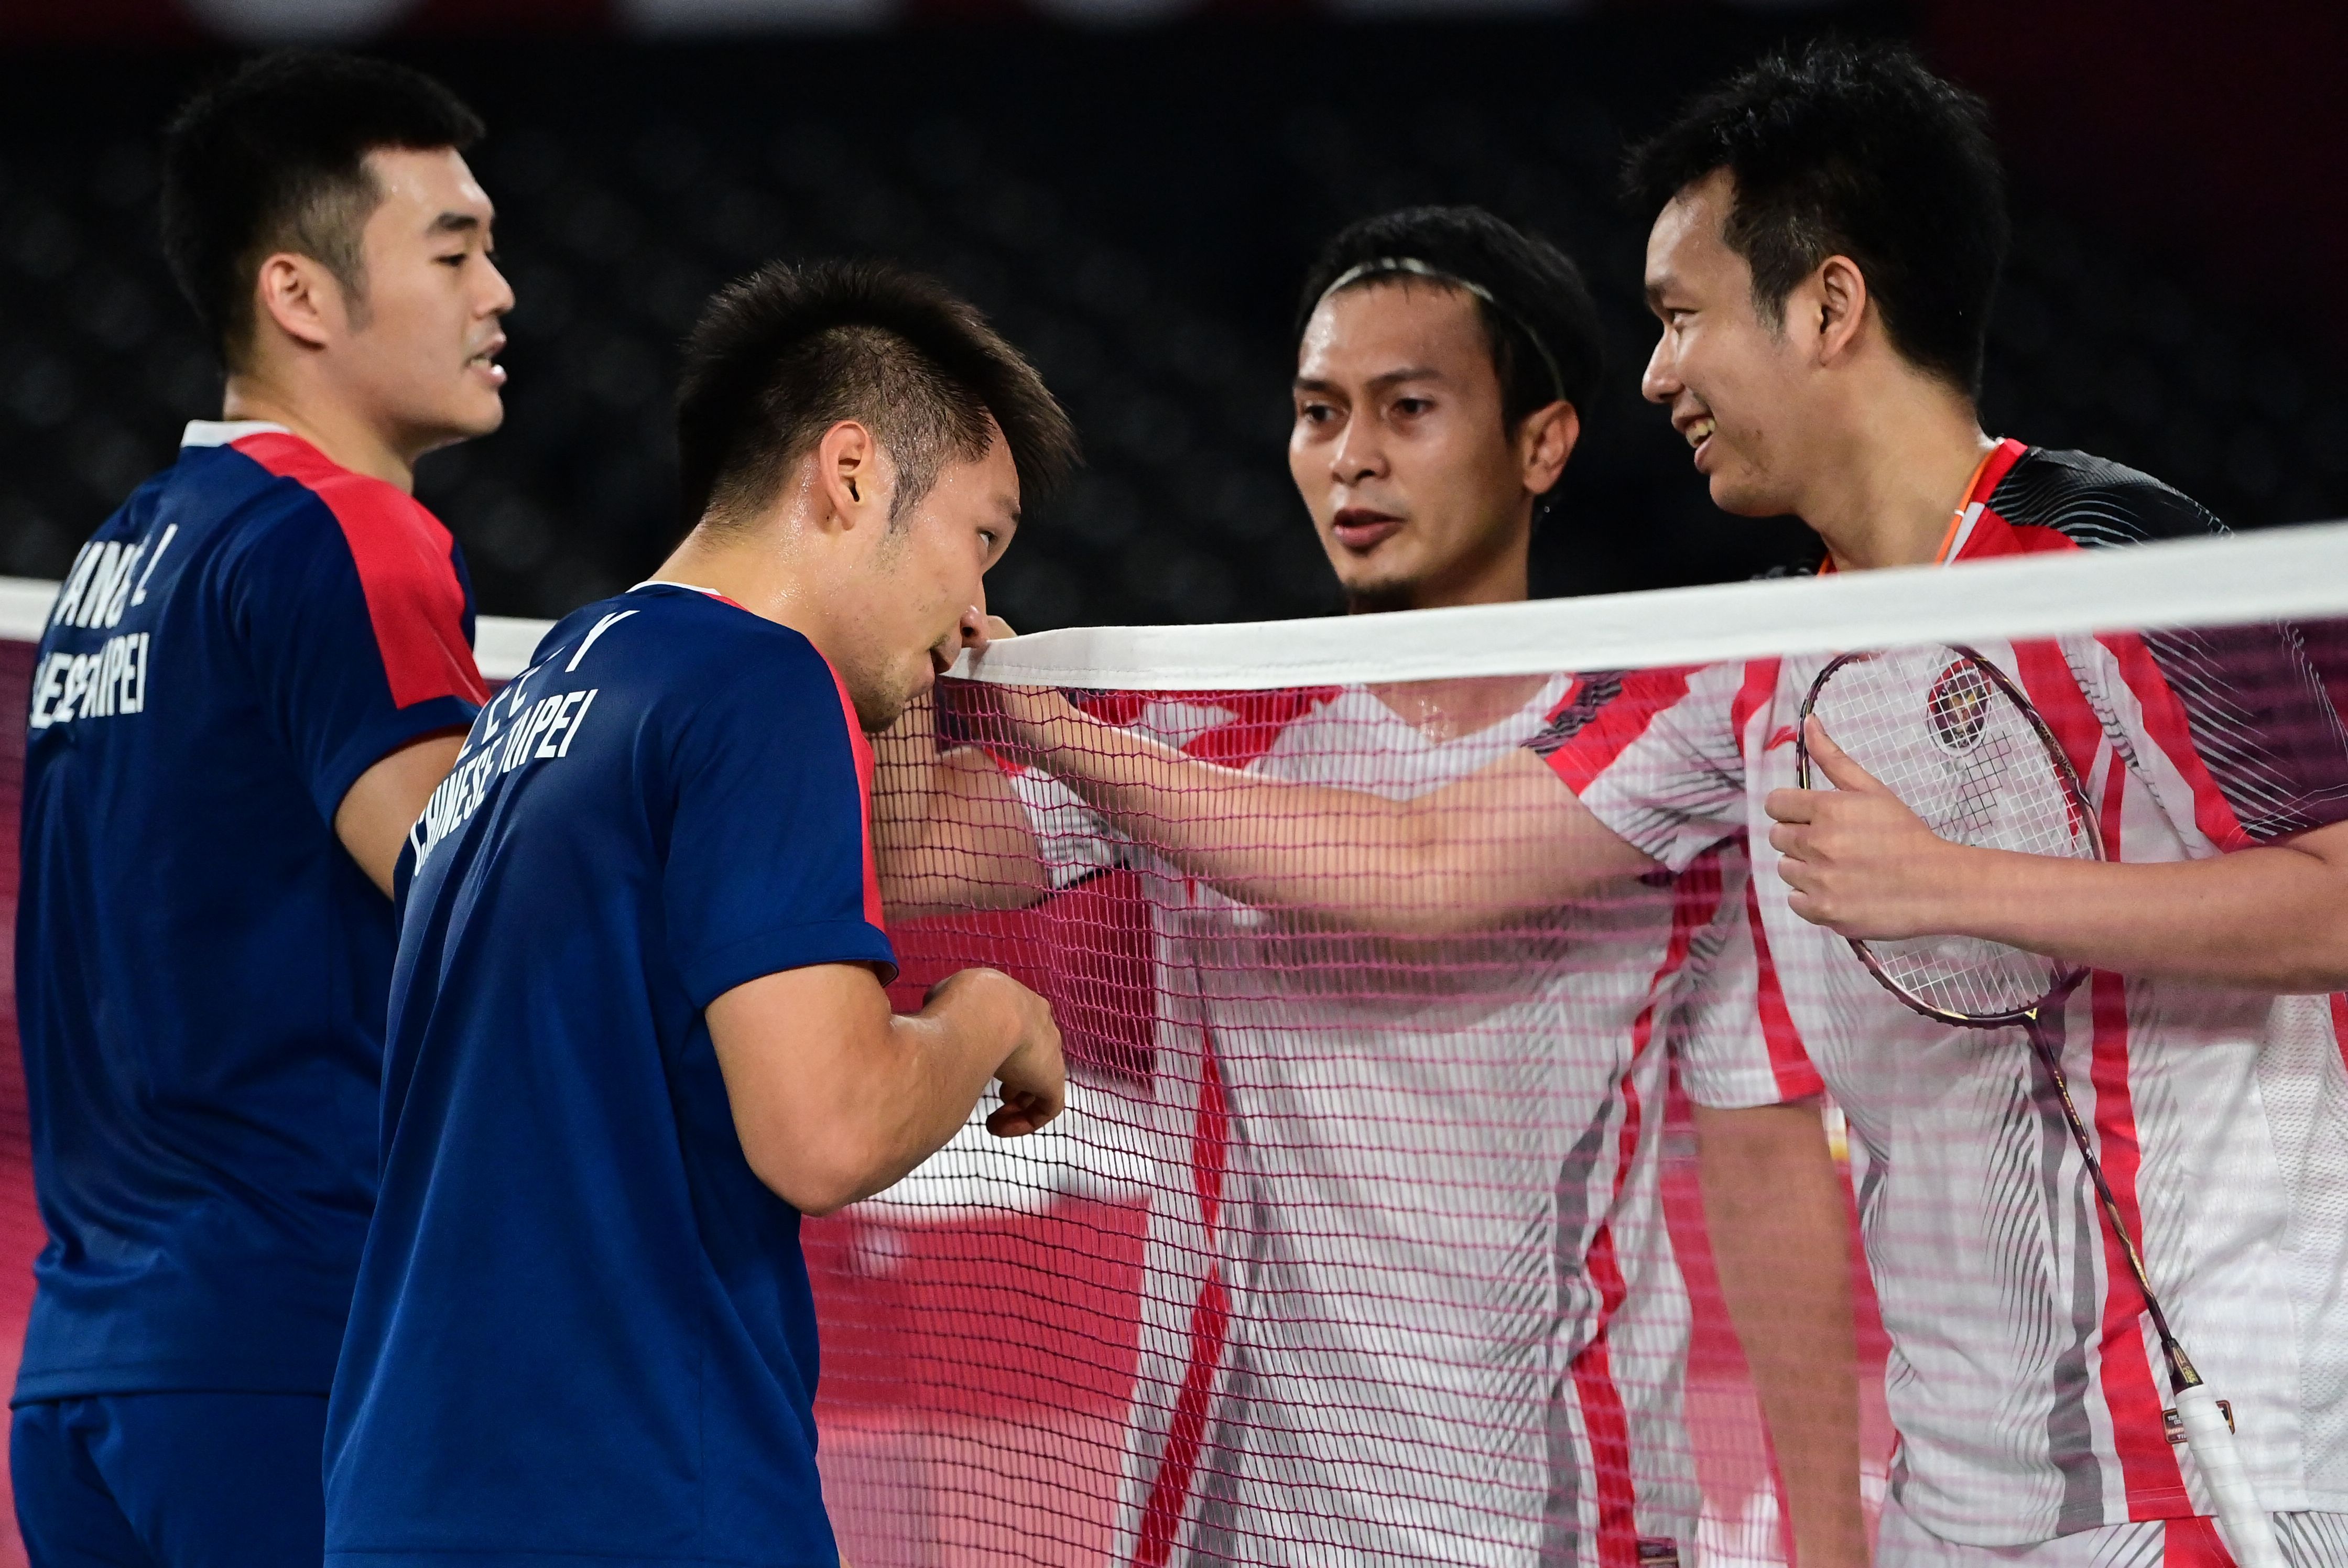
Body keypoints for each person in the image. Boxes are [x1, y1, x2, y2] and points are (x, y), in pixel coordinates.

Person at [988, 41, 2348, 1565]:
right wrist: (1047, 729)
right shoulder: (1757, 668)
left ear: (1828, 308)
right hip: (1963, 1507)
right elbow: (1430, 862)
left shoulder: (2117, 558)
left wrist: (1960, 884)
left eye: (1684, 318)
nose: (1657, 375)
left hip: (2216, 1464)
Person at [877, 206, 1865, 1566]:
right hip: (1239, 1518)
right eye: (1317, 412)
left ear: (1543, 443)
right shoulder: (1203, 728)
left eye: (1408, 409)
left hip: (1569, 1521)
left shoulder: (1672, 739)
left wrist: (1832, 1548)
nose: (1352, 460)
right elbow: (912, 859)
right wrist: (888, 605)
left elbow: (1757, 1153)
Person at [320, 260, 1075, 1567]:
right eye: (980, 537)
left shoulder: (546, 693)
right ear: (849, 473)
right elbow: (822, 1130)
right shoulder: (762, 688)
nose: (975, 609)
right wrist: (987, 1012)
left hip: (405, 1497)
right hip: (642, 1496)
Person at [10, 52, 508, 1566]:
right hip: (288, 1350)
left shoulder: (123, 556)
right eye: (454, 250)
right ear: (301, 295)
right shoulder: (352, 533)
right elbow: (485, 907)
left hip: (83, 1380)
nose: (501, 294)